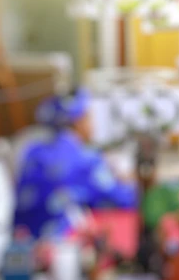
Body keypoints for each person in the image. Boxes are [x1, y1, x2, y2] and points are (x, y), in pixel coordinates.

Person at [14, 89, 137, 239]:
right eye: (90, 116)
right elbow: (124, 199)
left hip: (22, 241)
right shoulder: (86, 159)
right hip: (60, 247)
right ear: (79, 121)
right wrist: (131, 182)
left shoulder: (32, 152)